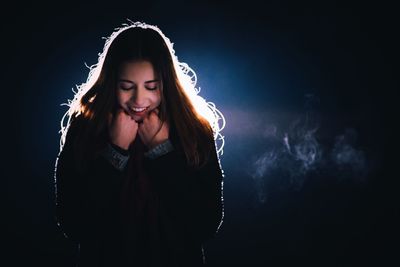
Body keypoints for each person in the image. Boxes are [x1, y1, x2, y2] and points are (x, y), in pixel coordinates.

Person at [54, 21, 225, 267]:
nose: (138, 99)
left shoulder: (193, 130)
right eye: (126, 87)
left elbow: (205, 224)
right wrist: (115, 152)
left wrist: (162, 151)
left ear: (166, 84)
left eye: (151, 87)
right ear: (112, 83)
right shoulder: (86, 128)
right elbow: (74, 225)